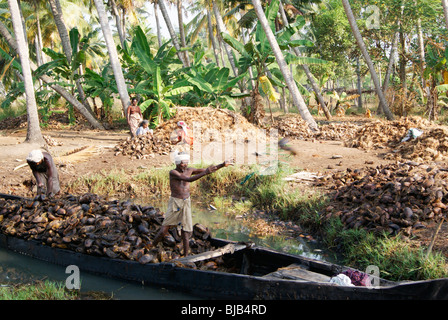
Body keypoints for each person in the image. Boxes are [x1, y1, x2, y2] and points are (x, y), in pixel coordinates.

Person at [151, 152, 233, 256]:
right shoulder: (173, 172)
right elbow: (188, 179)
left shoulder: (190, 170)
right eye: (182, 163)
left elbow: (209, 170)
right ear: (177, 163)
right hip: (176, 202)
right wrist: (205, 172)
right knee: (164, 230)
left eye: (186, 163)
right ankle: (152, 246)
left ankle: (185, 255)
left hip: (186, 202)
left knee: (186, 231)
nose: (184, 165)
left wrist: (222, 165)